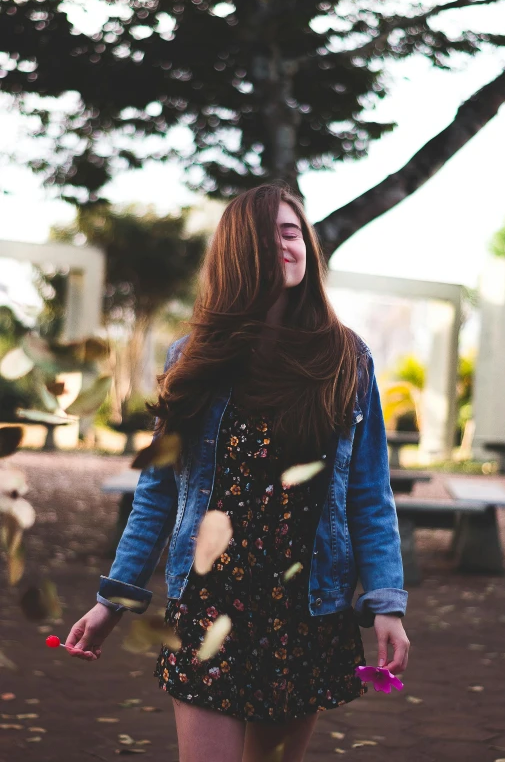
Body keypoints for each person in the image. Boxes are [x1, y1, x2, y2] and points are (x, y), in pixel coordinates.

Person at [66, 183, 410, 762]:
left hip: (306, 611)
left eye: (293, 231)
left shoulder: (346, 359)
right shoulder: (194, 357)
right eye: (269, 234)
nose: (286, 244)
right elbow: (158, 493)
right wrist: (114, 599)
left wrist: (387, 604)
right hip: (209, 602)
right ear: (236, 252)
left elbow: (369, 495)